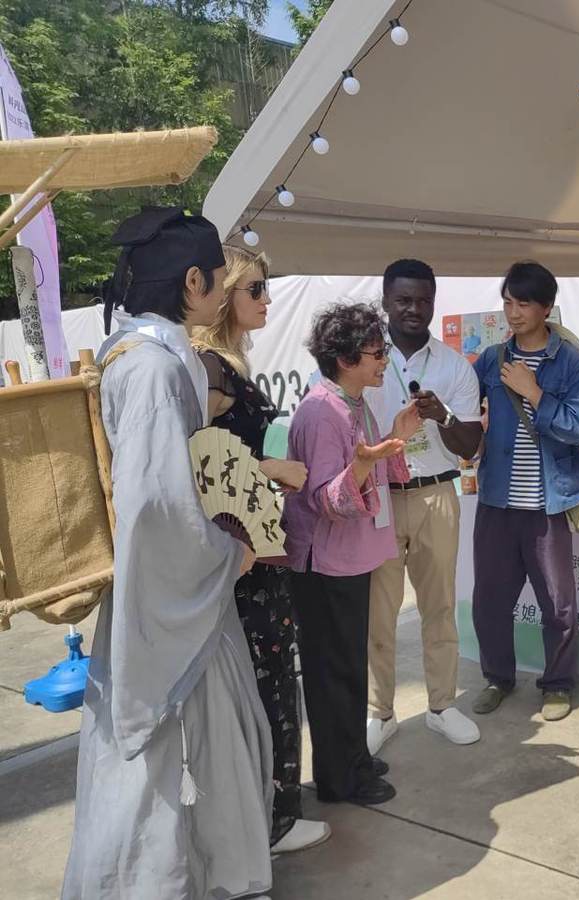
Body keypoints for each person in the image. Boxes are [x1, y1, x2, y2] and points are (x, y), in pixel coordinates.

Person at [63, 208, 272, 899]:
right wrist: (224, 554)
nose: (221, 291)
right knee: (160, 755)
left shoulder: (141, 355)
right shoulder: (152, 368)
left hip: (170, 586)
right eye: (216, 279)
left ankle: (208, 878)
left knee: (195, 749)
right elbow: (156, 504)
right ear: (192, 282)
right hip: (173, 590)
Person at [191, 245, 331, 853]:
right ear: (224, 295)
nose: (268, 301)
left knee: (272, 670)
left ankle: (272, 810)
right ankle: (273, 819)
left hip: (252, 538)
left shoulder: (227, 363)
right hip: (238, 550)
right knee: (266, 673)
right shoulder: (207, 367)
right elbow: (189, 460)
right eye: (256, 290)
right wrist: (270, 464)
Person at [284, 303, 420, 806]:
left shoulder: (353, 403)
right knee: (332, 671)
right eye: (377, 353)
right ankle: (339, 779)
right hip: (326, 560)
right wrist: (367, 462)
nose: (385, 361)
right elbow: (325, 499)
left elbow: (372, 472)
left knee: (346, 665)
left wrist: (394, 441)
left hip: (349, 554)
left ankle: (351, 759)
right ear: (345, 358)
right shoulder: (323, 412)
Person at [365, 259, 484, 752]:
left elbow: (469, 445)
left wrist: (443, 415)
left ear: (434, 302)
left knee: (438, 606)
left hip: (437, 493)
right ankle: (380, 712)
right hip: (380, 497)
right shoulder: (364, 359)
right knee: (379, 611)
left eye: (423, 300)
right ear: (386, 302)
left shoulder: (454, 365)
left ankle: (441, 706)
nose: (414, 309)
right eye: (404, 300)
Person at [471, 261, 579, 722]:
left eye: (524, 303)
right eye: (508, 301)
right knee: (490, 600)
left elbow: (577, 427)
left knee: (558, 603)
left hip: (549, 502)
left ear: (546, 307)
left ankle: (558, 684)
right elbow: (469, 416)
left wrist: (534, 392)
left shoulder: (570, 361)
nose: (514, 312)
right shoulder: (490, 359)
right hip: (496, 501)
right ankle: (497, 678)